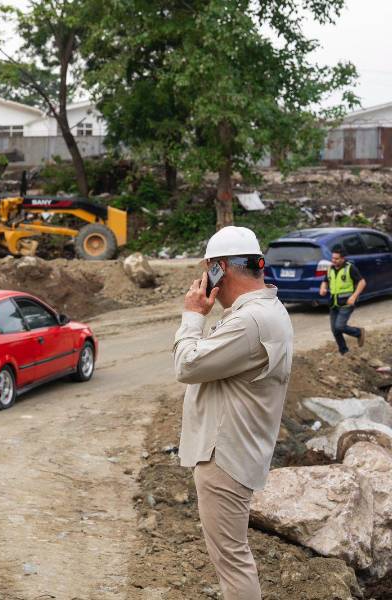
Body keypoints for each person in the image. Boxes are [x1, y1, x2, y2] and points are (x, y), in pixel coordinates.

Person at [173, 226, 293, 600]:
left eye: (208, 268)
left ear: (220, 269)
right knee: (232, 555)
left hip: (224, 455)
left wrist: (193, 315)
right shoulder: (265, 310)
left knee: (231, 560)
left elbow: (187, 365)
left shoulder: (248, 321)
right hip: (237, 450)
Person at [319, 246, 366, 354]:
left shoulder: (350, 268)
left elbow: (362, 282)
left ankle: (358, 332)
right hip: (333, 303)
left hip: (346, 302)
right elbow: (325, 280)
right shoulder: (330, 268)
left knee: (340, 326)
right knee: (335, 330)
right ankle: (344, 351)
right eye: (333, 258)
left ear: (343, 258)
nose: (334, 260)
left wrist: (354, 296)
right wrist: (323, 288)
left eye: (336, 259)